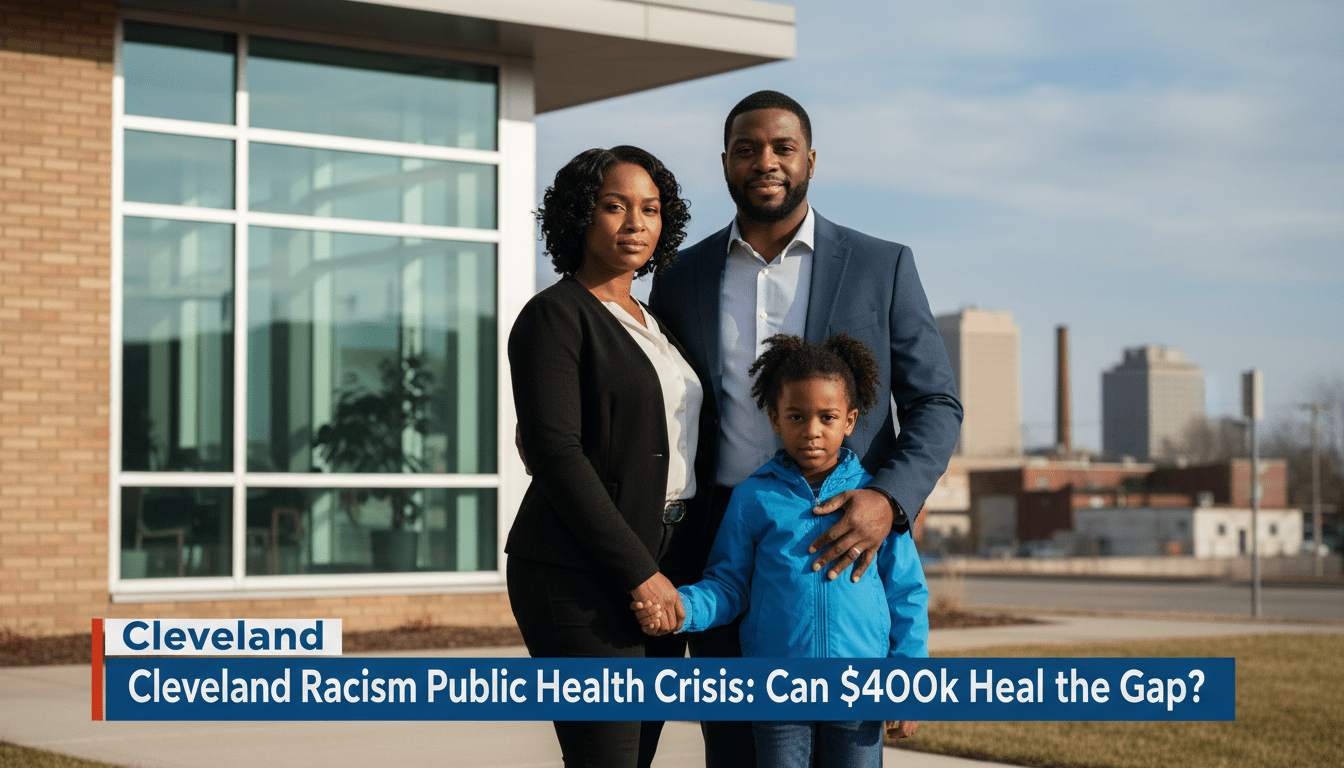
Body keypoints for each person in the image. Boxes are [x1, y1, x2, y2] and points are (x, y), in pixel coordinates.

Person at [645, 90, 962, 765]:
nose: (766, 161)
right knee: (735, 750)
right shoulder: (680, 276)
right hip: (724, 536)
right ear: (726, 163)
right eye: (747, 148)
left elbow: (936, 401)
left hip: (850, 528)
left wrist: (890, 499)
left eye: (782, 147)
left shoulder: (884, 265)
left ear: (811, 160)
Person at [635, 333, 929, 767]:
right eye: (796, 416)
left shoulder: (874, 503)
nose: (812, 431)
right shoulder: (753, 498)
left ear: (849, 421)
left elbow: (907, 595)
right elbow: (728, 586)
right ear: (775, 419)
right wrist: (682, 606)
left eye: (827, 417)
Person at [506, 145, 707, 768]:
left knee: (636, 752)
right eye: (614, 207)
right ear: (578, 216)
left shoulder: (656, 321)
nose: (635, 223)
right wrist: (639, 574)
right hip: (578, 574)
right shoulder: (554, 316)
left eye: (650, 209)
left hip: (666, 563)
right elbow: (555, 453)